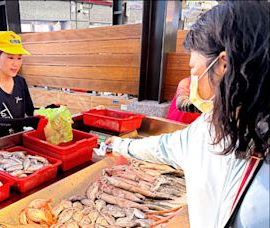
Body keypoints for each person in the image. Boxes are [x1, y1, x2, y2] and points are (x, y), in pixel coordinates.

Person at [106, 2, 269, 227]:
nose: (192, 79)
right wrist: (119, 146)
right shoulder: (209, 127)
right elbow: (166, 146)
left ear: (224, 65)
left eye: (193, 69)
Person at [0, 31, 44, 140]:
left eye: (19, 58)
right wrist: (28, 122)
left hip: (15, 139)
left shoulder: (20, 81)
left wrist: (49, 110)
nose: (16, 64)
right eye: (11, 58)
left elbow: (30, 111)